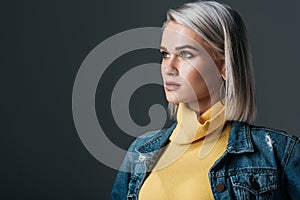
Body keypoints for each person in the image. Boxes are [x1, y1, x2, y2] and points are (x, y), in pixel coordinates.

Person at [111, 1, 300, 199]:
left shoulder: (279, 153)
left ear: (225, 65)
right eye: (165, 54)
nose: (169, 67)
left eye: (185, 54)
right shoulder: (141, 152)